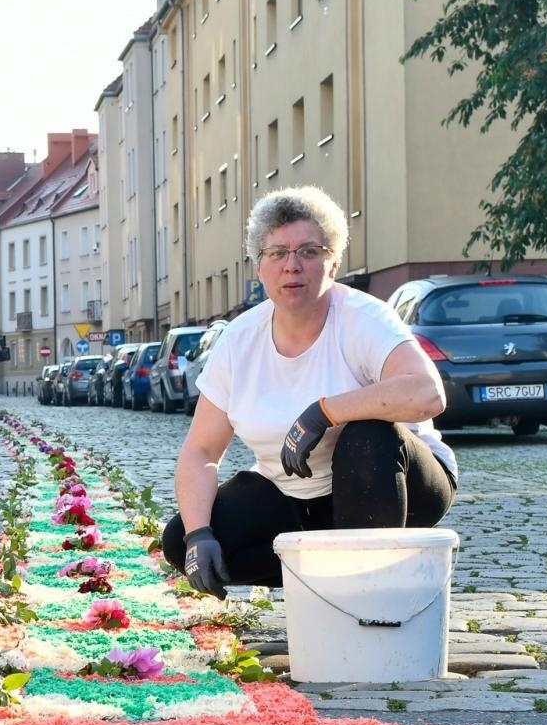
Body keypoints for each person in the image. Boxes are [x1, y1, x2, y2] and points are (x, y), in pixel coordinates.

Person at [162, 184, 458, 597]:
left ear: (332, 263)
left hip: (398, 484)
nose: (292, 265)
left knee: (366, 433)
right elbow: (201, 451)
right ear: (259, 267)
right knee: (179, 538)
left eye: (308, 251)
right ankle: (321, 579)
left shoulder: (362, 318)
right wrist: (198, 535)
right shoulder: (239, 340)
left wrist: (324, 412)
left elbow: (427, 394)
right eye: (277, 253)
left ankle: (371, 594)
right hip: (295, 498)